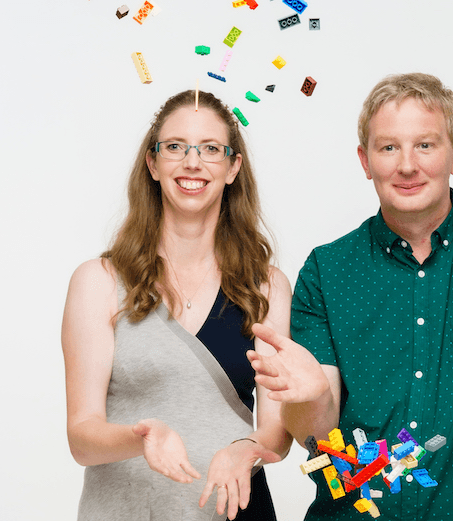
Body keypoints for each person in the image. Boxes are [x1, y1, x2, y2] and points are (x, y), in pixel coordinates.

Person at [247, 73, 453, 520]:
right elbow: (318, 436)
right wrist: (310, 398)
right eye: (388, 147)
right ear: (365, 160)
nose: (407, 165)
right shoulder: (327, 270)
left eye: (425, 145)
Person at [61, 89, 292, 521]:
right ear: (153, 163)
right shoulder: (99, 282)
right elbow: (82, 438)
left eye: (211, 149)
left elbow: (277, 429)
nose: (192, 162)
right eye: (175, 147)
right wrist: (140, 437)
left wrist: (246, 447)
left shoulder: (267, 287)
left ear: (233, 167)